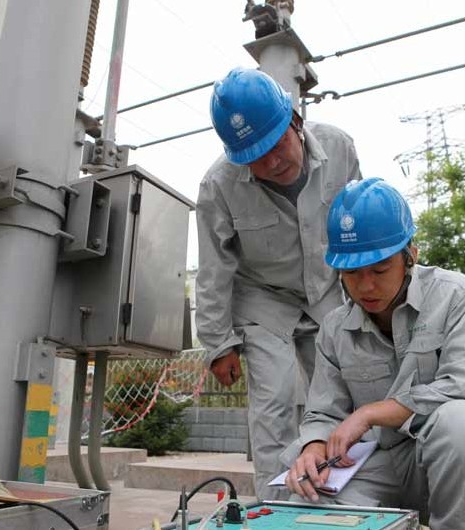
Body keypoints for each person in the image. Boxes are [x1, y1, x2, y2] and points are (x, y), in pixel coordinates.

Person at [284, 178, 465, 529]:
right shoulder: (334, 328)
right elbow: (323, 410)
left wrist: (371, 413)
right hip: (376, 464)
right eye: (351, 273)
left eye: (380, 269)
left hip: (441, 460)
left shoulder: (454, 295)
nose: (366, 286)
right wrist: (313, 446)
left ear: (410, 256)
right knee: (307, 499)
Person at [195, 67, 362, 500]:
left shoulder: (340, 149)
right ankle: (275, 510)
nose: (270, 163)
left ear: (296, 121)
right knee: (274, 404)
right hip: (262, 300)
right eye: (254, 155)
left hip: (326, 291)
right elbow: (213, 268)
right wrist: (218, 343)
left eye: (275, 145)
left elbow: (360, 226)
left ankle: (348, 497)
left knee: (343, 393)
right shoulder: (218, 186)